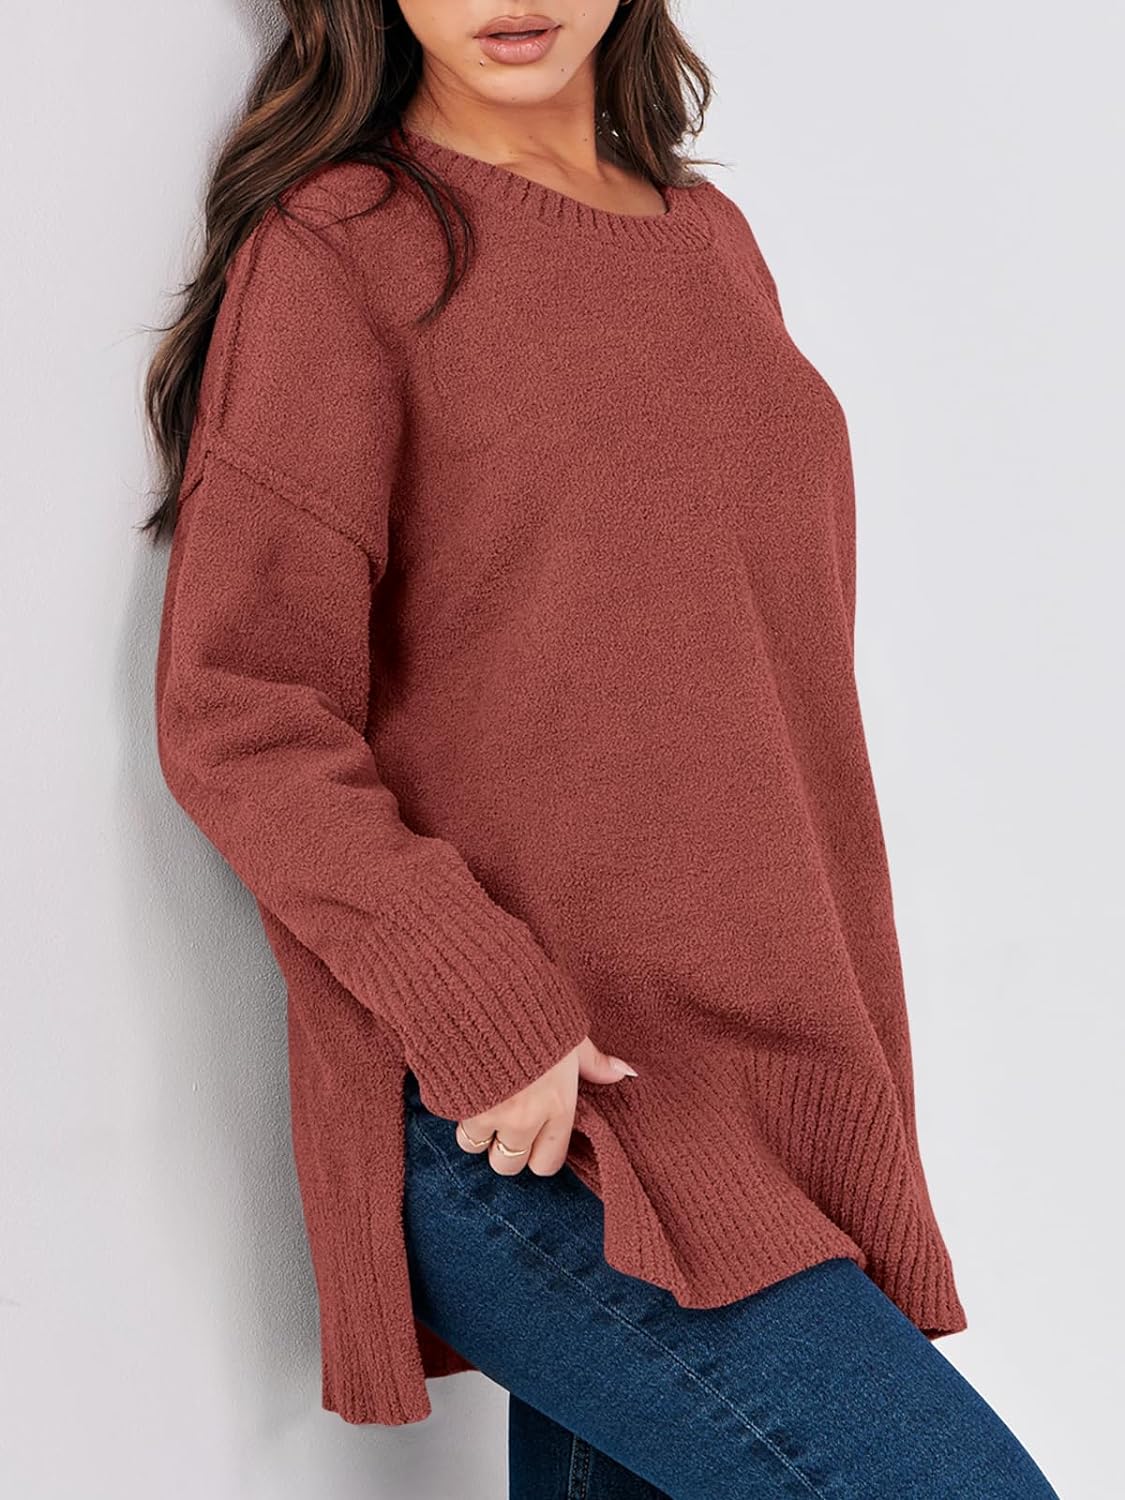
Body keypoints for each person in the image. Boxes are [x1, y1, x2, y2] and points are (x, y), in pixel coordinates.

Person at [142, 2, 1060, 1494]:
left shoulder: (708, 237)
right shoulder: (345, 245)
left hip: (758, 1080)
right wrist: (482, 1005)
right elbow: (242, 707)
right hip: (528, 1107)